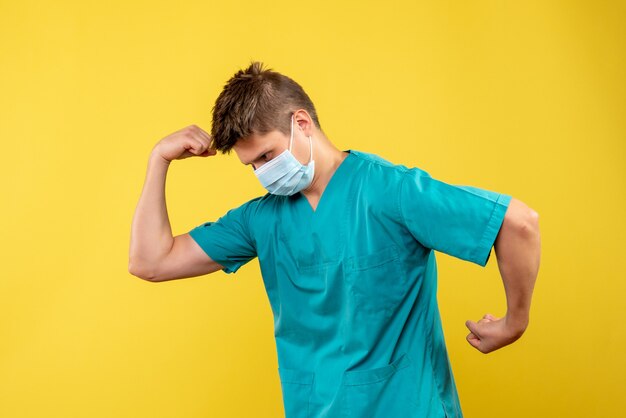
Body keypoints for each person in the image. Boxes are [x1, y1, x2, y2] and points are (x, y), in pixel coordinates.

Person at [128, 61, 541, 418]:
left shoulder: (390, 192)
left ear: (301, 123)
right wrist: (158, 160)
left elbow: (518, 222)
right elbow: (150, 262)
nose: (262, 174)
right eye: (251, 165)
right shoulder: (262, 218)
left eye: (267, 156)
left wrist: (514, 322)